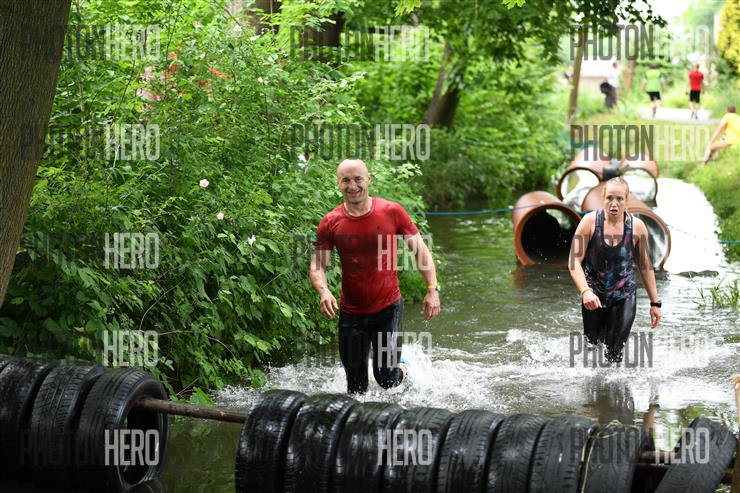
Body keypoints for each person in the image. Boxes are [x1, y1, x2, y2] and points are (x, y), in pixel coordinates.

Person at [309, 159, 441, 394]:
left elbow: (420, 251)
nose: (352, 186)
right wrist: (324, 291)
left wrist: (432, 289)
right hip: (351, 313)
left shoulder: (392, 212)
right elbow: (317, 265)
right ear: (338, 184)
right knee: (356, 389)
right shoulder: (330, 222)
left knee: (386, 379)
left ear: (368, 180)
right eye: (346, 180)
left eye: (358, 179)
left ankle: (404, 366)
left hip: (387, 308)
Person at [568, 177, 661, 363]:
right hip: (593, 295)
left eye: (619, 199)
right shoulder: (589, 222)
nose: (614, 204)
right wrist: (585, 291)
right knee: (592, 351)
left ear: (627, 200)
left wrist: (655, 303)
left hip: (624, 295)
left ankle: (615, 380)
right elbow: (574, 261)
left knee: (614, 354)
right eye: (609, 198)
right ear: (602, 198)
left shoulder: (637, 227)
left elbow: (645, 266)